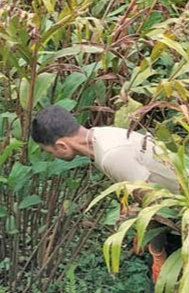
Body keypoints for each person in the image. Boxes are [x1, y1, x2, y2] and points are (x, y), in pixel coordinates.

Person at [31, 106, 180, 282]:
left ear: (61, 145)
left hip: (182, 212)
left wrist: (157, 252)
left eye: (50, 152)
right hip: (171, 199)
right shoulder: (102, 136)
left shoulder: (111, 156)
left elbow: (153, 207)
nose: (52, 156)